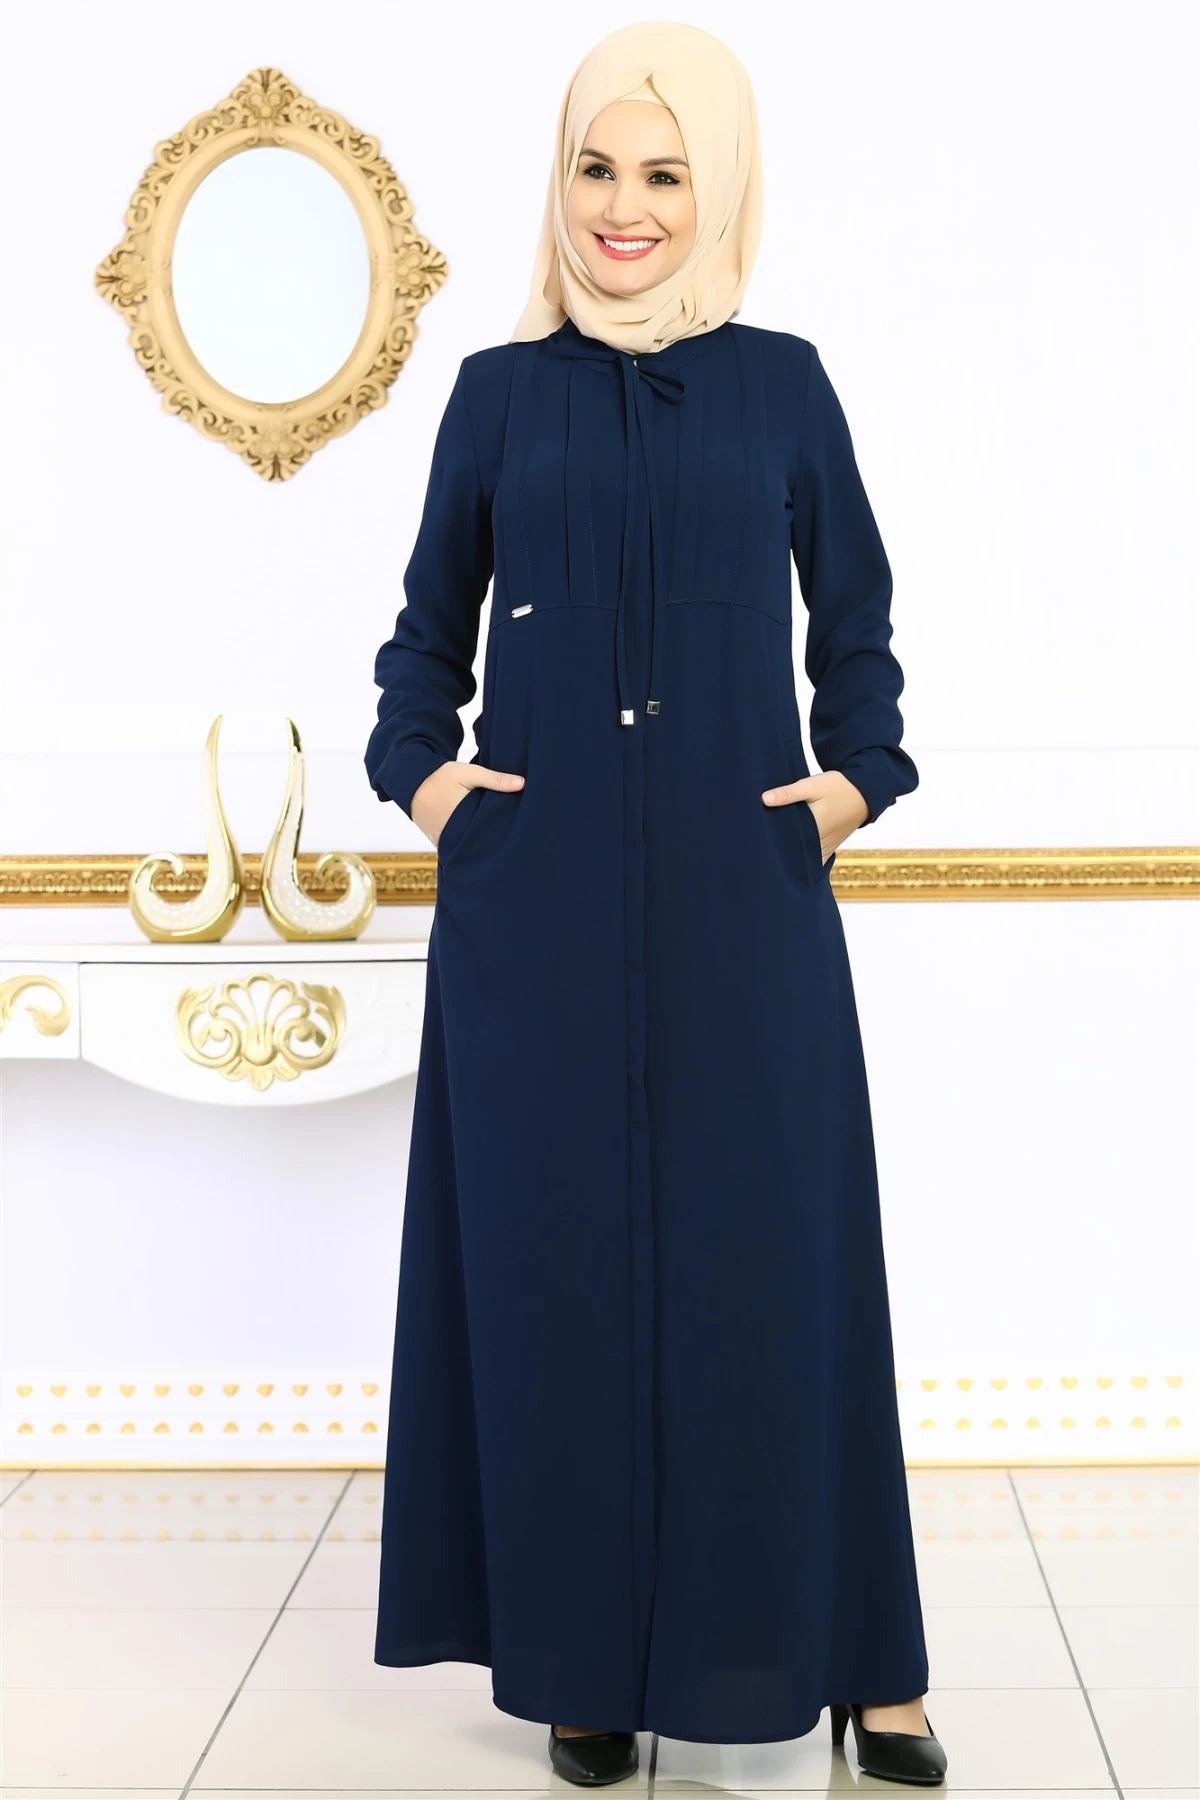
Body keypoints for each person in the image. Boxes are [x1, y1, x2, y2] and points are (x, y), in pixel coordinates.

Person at [364, 19, 947, 1790]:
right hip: (532, 916)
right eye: (597, 168)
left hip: (740, 898)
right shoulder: (496, 394)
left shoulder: (783, 386)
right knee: (555, 1274)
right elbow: (421, 639)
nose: (625, 208)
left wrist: (857, 777)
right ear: (561, 181)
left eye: (666, 173)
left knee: (780, 1276)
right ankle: (584, 1659)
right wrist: (430, 782)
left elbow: (858, 619)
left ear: (723, 189)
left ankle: (866, 1664)